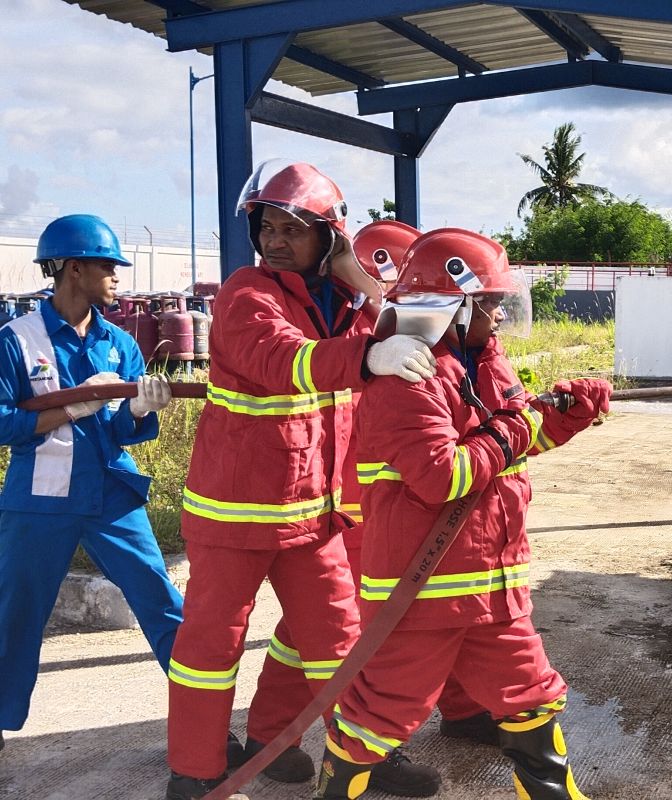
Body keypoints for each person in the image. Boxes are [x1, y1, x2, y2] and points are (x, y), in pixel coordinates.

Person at [163, 161, 441, 800]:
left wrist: (359, 280)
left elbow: (419, 332)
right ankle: (196, 767)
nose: (278, 239)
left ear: (330, 238)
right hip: (234, 515)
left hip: (312, 514)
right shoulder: (246, 292)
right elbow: (281, 360)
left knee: (343, 641)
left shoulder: (344, 300)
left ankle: (352, 754)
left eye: (295, 228)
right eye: (269, 226)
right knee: (210, 647)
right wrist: (368, 355)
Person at [313, 228, 611, 800]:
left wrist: (567, 417)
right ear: (451, 306)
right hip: (422, 595)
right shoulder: (407, 380)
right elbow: (443, 478)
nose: (499, 316)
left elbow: (512, 443)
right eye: (491, 304)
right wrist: (517, 425)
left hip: (493, 591)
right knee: (380, 717)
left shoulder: (485, 365)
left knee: (532, 697)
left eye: (501, 303)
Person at [241, 219, 497, 794]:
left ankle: (459, 708)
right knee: (332, 628)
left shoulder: (401, 326)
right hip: (357, 504)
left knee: (441, 608)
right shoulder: (358, 323)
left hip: (389, 501)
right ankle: (278, 733)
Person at [0, 214, 177, 752]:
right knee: (14, 613)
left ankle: (204, 719)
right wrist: (76, 406)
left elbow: (124, 429)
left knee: (164, 604)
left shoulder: (120, 342)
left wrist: (143, 411)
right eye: (108, 265)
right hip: (39, 500)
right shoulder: (16, 339)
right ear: (73, 269)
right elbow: (5, 421)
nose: (118, 275)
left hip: (112, 497)